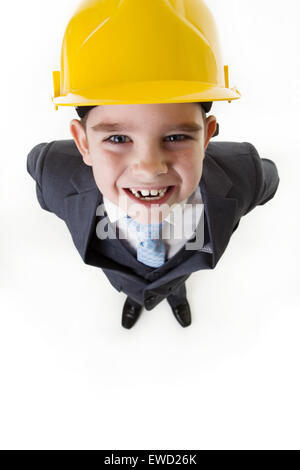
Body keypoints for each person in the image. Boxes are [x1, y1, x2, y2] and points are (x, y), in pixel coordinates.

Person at [27, 0, 280, 329]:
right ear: (83, 143)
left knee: (175, 281)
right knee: (133, 287)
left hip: (180, 270)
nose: (149, 168)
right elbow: (39, 178)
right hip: (120, 274)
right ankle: (135, 299)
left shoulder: (246, 171)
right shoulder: (52, 173)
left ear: (206, 137)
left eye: (176, 137)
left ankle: (176, 295)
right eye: (117, 139)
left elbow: (268, 182)